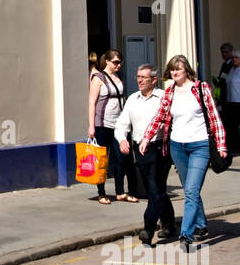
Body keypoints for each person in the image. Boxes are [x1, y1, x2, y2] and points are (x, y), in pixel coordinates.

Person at [139, 55, 227, 251]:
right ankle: (202, 224)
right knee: (189, 188)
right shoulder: (170, 92)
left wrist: (221, 145)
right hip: (177, 146)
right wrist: (146, 138)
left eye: (178, 69)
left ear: (186, 69)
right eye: (171, 70)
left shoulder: (201, 88)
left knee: (191, 191)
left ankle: (186, 236)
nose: (174, 72)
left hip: (200, 146)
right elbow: (159, 117)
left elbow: (214, 117)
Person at [115, 65, 176, 244]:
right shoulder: (132, 99)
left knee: (155, 187)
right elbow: (121, 124)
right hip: (140, 150)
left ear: (154, 80)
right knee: (155, 189)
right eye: (138, 76)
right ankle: (169, 224)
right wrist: (122, 140)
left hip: (160, 148)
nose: (140, 80)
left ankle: (148, 229)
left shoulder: (163, 98)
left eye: (144, 77)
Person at [88, 50, 136, 205]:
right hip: (102, 124)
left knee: (121, 157)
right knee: (102, 160)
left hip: (119, 124)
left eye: (120, 62)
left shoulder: (118, 77)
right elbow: (91, 102)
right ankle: (101, 193)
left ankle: (120, 191)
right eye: (115, 62)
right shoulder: (98, 78)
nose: (118, 65)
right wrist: (91, 126)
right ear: (107, 61)